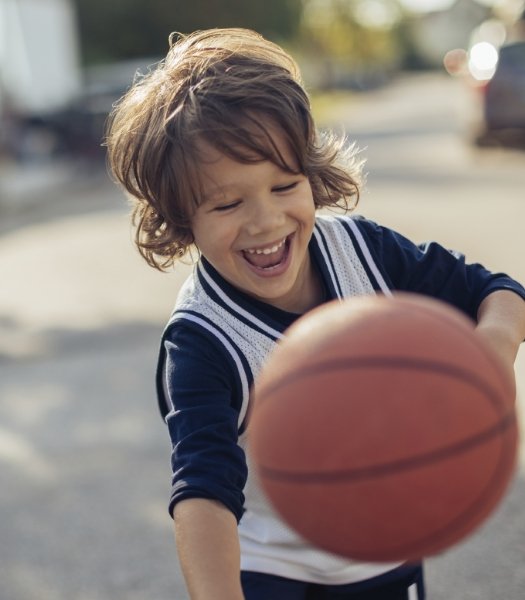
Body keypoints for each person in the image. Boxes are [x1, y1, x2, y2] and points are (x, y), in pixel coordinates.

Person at [105, 28, 525, 600]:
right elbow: (203, 492)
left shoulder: (363, 251)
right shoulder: (202, 340)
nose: (265, 221)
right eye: (228, 203)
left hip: (381, 552)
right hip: (269, 567)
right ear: (182, 218)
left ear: (311, 175)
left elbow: (498, 292)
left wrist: (492, 351)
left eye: (284, 185)